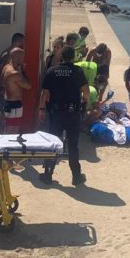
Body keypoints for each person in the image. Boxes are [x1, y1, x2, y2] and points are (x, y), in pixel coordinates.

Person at [39, 46, 89, 186]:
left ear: (62, 56)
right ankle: (76, 176)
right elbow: (86, 91)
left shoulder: (52, 71)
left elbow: (45, 93)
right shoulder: (78, 71)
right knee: (73, 145)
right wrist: (85, 103)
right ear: (73, 57)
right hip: (72, 113)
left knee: (53, 143)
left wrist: (41, 109)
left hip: (56, 113)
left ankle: (48, 174)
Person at [0, 33, 25, 131]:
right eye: (22, 42)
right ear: (18, 41)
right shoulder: (7, 55)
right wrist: (2, 89)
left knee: (7, 114)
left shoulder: (10, 53)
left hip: (8, 90)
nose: (23, 44)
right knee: (5, 114)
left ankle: (2, 134)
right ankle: (1, 135)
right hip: (4, 90)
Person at [2, 48, 31, 134]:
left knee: (9, 129)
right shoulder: (15, 73)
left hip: (8, 102)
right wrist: (23, 71)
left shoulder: (6, 67)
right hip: (14, 105)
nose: (23, 60)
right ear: (17, 58)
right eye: (22, 58)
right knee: (13, 130)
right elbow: (28, 86)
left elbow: (1, 83)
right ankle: (8, 147)